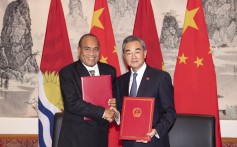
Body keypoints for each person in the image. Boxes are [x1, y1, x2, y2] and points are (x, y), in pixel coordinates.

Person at [58, 33, 118, 147]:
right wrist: (103, 112)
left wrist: (114, 106)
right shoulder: (67, 72)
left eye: (95, 49)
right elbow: (72, 103)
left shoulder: (110, 71)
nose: (92, 53)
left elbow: (115, 98)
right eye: (87, 49)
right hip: (76, 138)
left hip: (100, 137)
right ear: (79, 50)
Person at [117, 35, 176, 147]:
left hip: (153, 142)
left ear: (144, 53)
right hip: (128, 143)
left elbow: (170, 112)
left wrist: (156, 131)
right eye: (129, 53)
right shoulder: (120, 81)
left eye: (137, 52)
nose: (133, 56)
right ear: (124, 56)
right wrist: (114, 114)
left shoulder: (160, 77)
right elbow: (121, 110)